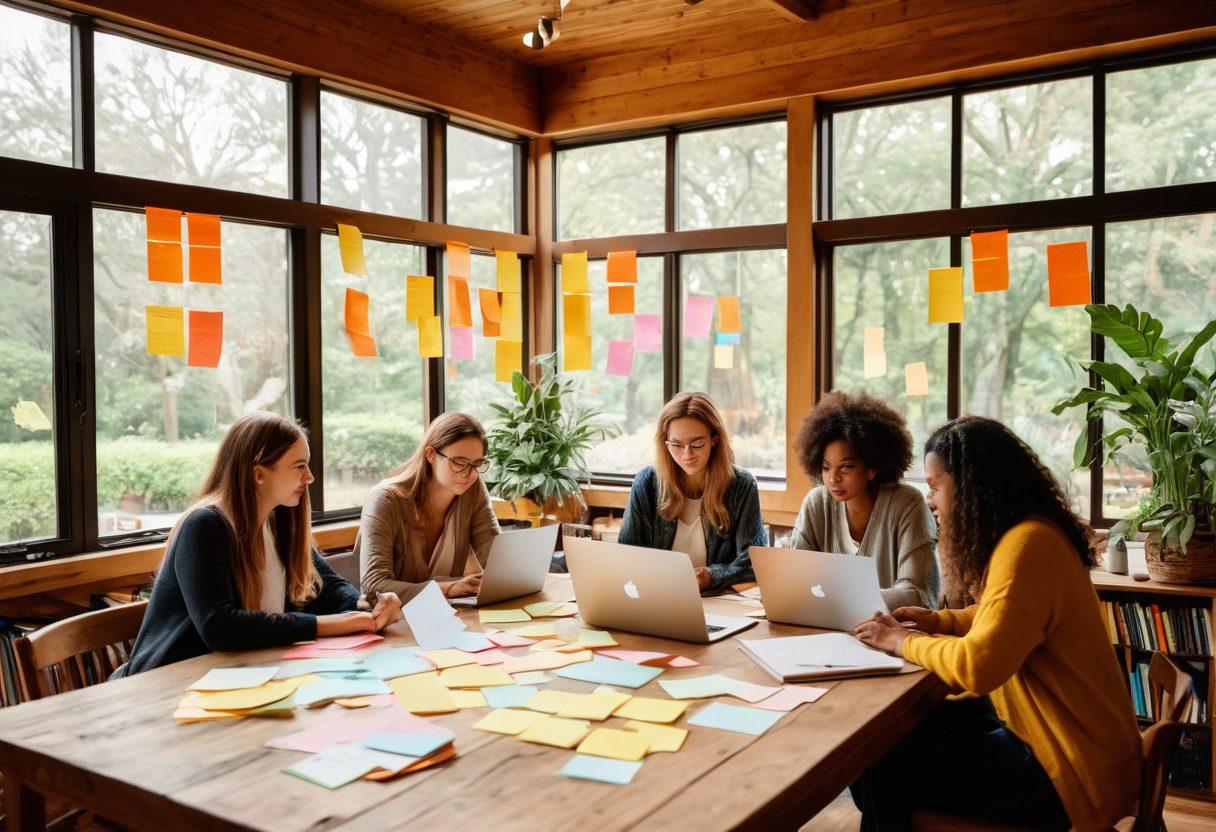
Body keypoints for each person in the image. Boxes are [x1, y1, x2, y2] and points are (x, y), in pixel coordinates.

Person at [852, 416, 1141, 832]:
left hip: (1070, 771)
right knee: (886, 750)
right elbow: (1001, 619)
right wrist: (939, 620)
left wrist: (900, 641)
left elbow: (979, 664)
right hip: (1063, 746)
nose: (930, 500)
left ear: (970, 486)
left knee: (882, 771)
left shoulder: (1027, 547)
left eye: (935, 486)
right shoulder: (1028, 535)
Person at [117, 412, 400, 677]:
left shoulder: (278, 520)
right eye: (299, 466)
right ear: (259, 473)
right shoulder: (205, 525)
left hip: (242, 674)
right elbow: (219, 627)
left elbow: (326, 585)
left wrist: (363, 605)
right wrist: (328, 625)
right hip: (171, 681)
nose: (310, 477)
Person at [790, 390, 940, 609]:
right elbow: (795, 580)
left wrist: (842, 601)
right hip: (824, 630)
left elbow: (918, 594)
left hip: (893, 635)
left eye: (846, 467)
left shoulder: (907, 503)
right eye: (825, 467)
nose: (833, 478)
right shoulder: (817, 503)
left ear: (872, 467)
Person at [618, 392, 766, 592]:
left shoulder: (741, 485)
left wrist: (710, 576)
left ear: (714, 439)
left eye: (697, 443)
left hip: (718, 602)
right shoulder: (647, 483)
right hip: (656, 596)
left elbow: (753, 564)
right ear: (665, 443)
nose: (687, 454)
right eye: (676, 445)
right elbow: (627, 555)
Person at [357, 412, 500, 601]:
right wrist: (447, 589)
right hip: (394, 620)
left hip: (447, 613)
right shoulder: (385, 500)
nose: (470, 473)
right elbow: (373, 585)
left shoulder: (472, 489)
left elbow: (497, 561)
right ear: (431, 454)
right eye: (459, 462)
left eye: (477, 463)